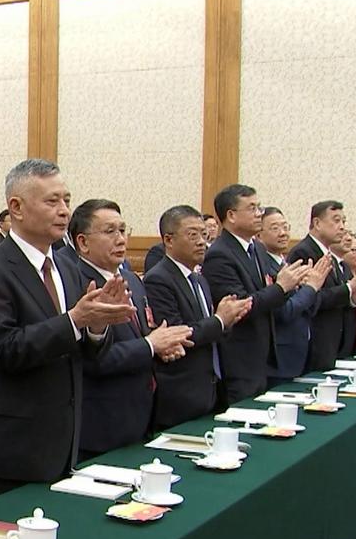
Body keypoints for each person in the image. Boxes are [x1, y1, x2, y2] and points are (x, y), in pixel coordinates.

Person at [0, 159, 135, 504]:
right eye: (52, 201)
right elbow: (4, 350)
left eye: (66, 200)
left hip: (64, 440)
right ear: (16, 207)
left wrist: (97, 326)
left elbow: (85, 353)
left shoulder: (67, 268)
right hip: (10, 447)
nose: (64, 210)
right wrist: (75, 320)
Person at [69, 199, 192, 458]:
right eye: (109, 231)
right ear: (83, 242)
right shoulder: (75, 284)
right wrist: (150, 345)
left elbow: (143, 333)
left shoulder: (132, 280)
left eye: (123, 230)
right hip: (101, 422)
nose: (120, 239)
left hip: (142, 414)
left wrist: (162, 346)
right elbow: (91, 359)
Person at [144, 206, 251, 430]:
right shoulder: (158, 279)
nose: (202, 241)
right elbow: (177, 335)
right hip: (181, 392)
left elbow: (210, 327)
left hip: (211, 386)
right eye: (193, 235)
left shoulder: (199, 279)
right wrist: (219, 320)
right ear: (169, 240)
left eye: (204, 234)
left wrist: (228, 320)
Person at [202, 184, 309, 404]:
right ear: (231, 215)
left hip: (263, 356)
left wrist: (289, 285)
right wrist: (281, 287)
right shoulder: (219, 254)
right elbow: (241, 306)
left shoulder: (257, 248)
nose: (259, 213)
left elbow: (267, 293)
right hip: (239, 358)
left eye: (259, 207)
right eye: (252, 208)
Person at [287, 200, 356, 371]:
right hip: (314, 343)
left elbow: (342, 295)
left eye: (344, 221)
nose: (342, 227)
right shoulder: (304, 252)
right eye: (336, 221)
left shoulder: (332, 256)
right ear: (317, 223)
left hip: (336, 342)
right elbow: (311, 298)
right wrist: (349, 288)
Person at [257, 206, 327, 386]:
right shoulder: (263, 266)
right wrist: (310, 288)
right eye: (275, 228)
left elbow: (311, 308)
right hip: (280, 358)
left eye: (285, 227)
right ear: (259, 235)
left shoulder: (288, 263)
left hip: (305, 352)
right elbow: (283, 312)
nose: (283, 233)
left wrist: (312, 286)